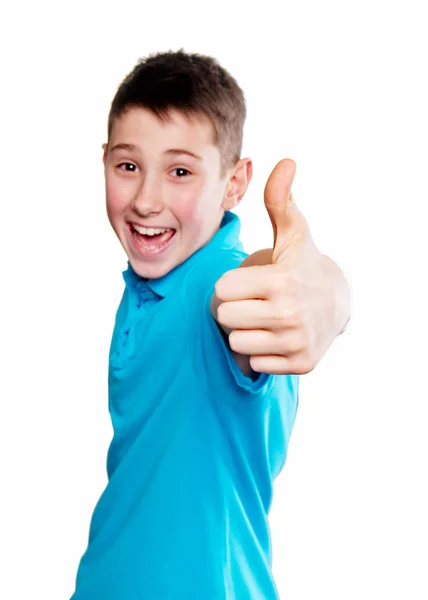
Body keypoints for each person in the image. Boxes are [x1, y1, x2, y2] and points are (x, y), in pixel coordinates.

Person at [70, 49, 351, 599]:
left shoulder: (217, 286)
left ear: (235, 182)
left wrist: (331, 295)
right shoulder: (147, 282)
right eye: (128, 166)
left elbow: (263, 286)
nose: (146, 200)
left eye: (180, 171)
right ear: (104, 161)